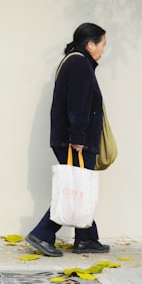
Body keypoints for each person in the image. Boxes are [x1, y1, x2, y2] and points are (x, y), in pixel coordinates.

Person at [26, 22, 111, 257]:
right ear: (90, 44)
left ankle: (87, 238)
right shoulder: (79, 64)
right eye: (102, 44)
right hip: (74, 140)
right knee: (73, 188)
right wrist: (78, 137)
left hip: (70, 138)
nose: (103, 50)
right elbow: (78, 104)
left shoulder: (74, 62)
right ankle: (42, 234)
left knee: (79, 184)